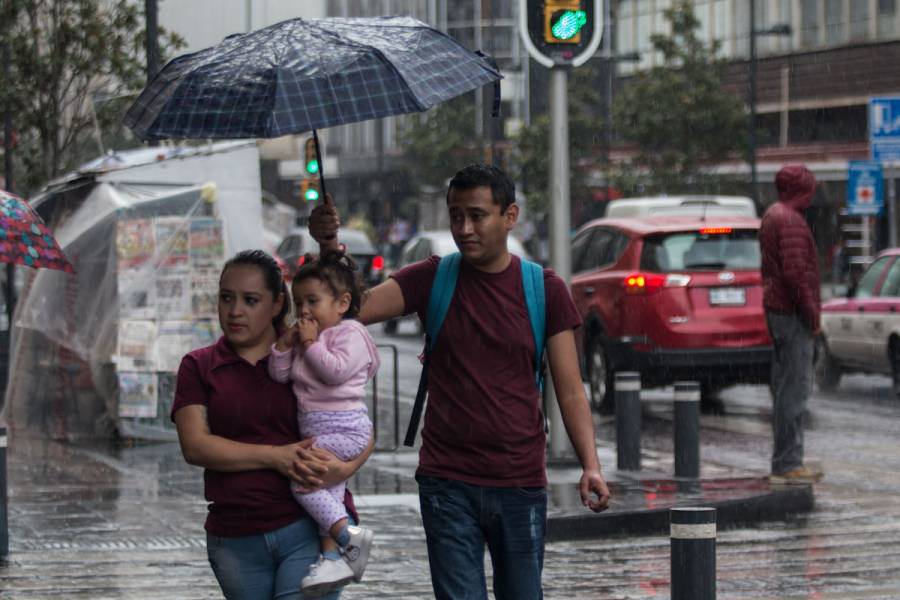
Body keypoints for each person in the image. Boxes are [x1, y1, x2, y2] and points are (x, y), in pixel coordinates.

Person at [309, 164, 610, 600]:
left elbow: (569, 389)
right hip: (447, 482)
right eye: (455, 216)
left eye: (476, 215)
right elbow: (351, 308)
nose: (464, 228)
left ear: (510, 216)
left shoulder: (545, 289)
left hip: (520, 482)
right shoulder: (434, 277)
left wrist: (591, 466)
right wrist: (329, 246)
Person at [171, 249, 373, 600]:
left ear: (278, 303)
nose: (235, 311)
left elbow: (353, 419)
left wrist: (347, 466)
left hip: (307, 528)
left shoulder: (310, 351)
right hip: (235, 535)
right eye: (226, 298)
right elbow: (195, 445)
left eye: (251, 300)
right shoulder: (199, 365)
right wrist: (276, 457)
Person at [268, 250, 379, 596]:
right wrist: (285, 346)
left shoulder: (351, 333)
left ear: (342, 302)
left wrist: (312, 343)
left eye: (312, 301)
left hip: (345, 429)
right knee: (327, 491)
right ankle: (331, 559)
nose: (303, 311)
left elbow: (334, 372)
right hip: (320, 429)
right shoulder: (306, 339)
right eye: (298, 302)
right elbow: (279, 375)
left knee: (302, 481)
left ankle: (349, 536)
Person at [759, 164, 824, 484]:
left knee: (786, 387)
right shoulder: (791, 221)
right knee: (794, 390)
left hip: (778, 310)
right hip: (791, 314)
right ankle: (788, 462)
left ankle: (787, 459)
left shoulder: (773, 215)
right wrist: (812, 314)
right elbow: (797, 274)